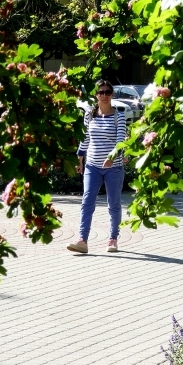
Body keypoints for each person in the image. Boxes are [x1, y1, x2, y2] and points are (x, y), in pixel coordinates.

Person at [67, 80, 126, 254]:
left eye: (108, 92)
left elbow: (121, 142)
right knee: (87, 202)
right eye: (101, 92)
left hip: (113, 168)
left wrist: (111, 157)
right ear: (96, 95)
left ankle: (113, 239)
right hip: (92, 166)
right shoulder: (90, 115)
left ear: (112, 95)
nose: (105, 95)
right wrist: (80, 159)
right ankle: (82, 240)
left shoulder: (119, 116)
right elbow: (85, 139)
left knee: (113, 204)